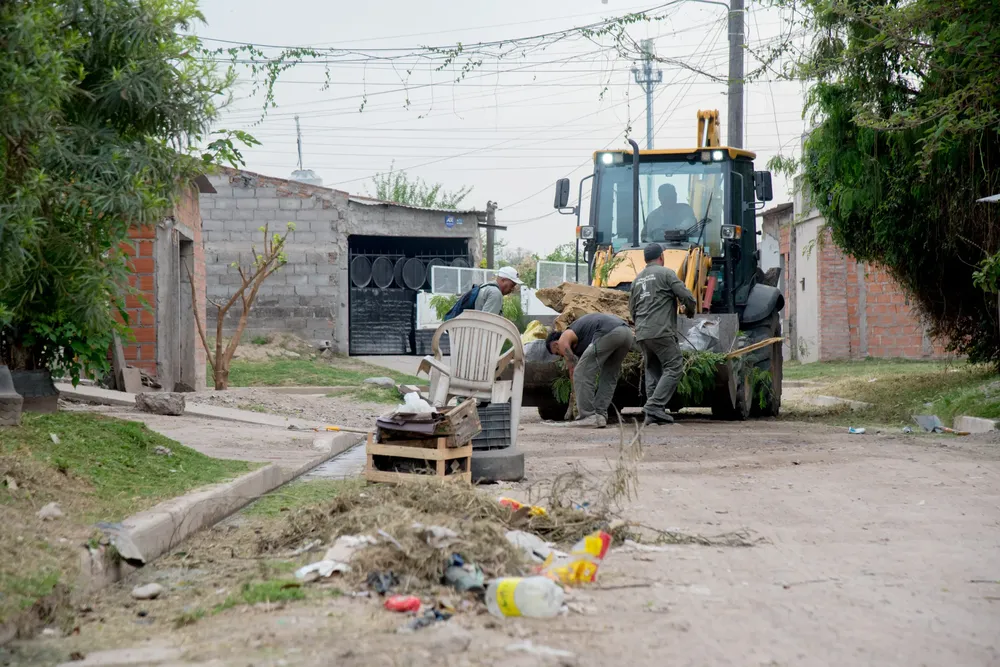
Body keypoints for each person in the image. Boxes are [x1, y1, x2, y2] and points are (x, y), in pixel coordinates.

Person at [629, 243, 697, 426]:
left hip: (642, 333)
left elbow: (632, 309)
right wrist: (690, 311)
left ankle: (653, 415)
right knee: (674, 366)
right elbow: (687, 297)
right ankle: (654, 406)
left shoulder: (637, 280)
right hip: (661, 332)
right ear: (661, 257)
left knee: (653, 370)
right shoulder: (667, 273)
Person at [545, 313, 634, 428]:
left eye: (558, 353)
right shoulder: (581, 340)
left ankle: (587, 416)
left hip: (610, 332)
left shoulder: (562, 340)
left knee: (580, 373)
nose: (561, 356)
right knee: (609, 376)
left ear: (556, 345)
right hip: (627, 334)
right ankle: (599, 415)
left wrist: (575, 395)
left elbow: (574, 370)